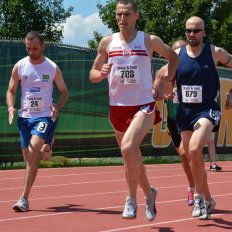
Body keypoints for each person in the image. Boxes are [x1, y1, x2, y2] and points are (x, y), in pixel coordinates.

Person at [89, 0, 178, 221]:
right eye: (118, 14)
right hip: (117, 108)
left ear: (137, 15)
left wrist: (164, 83)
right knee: (133, 158)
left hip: (143, 105)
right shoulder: (107, 42)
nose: (122, 19)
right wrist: (100, 73)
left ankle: (131, 199)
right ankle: (149, 193)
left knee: (128, 149)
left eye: (127, 14)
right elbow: (92, 74)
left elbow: (174, 57)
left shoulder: (149, 40)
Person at [174, 16, 232, 220]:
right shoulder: (177, 54)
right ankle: (208, 199)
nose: (192, 34)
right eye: (188, 30)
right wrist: (163, 87)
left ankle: (197, 197)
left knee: (195, 149)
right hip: (185, 111)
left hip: (207, 109)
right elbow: (164, 75)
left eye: (196, 31)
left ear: (204, 32)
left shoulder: (214, 52)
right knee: (188, 155)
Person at [6, 31, 69, 212]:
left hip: (44, 116)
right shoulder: (20, 66)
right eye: (28, 48)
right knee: (28, 157)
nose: (31, 52)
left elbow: (64, 91)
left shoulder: (52, 67)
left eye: (34, 48)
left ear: (43, 46)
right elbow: (11, 90)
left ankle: (24, 198)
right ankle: (48, 144)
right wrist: (11, 107)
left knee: (33, 153)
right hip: (24, 118)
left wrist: (57, 107)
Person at [155, 39, 195, 206]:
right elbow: (156, 94)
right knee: (183, 157)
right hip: (173, 120)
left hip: (191, 118)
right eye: (175, 52)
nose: (178, 55)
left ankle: (196, 190)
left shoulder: (192, 71)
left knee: (188, 154)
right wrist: (164, 95)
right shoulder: (164, 73)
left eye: (181, 52)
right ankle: (192, 186)